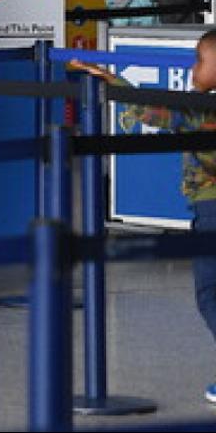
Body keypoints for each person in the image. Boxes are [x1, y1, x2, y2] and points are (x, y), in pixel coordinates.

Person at [70, 32, 216, 404]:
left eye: (200, 60)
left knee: (210, 292)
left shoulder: (202, 110)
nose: (193, 67)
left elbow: (155, 110)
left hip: (212, 210)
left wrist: (111, 82)